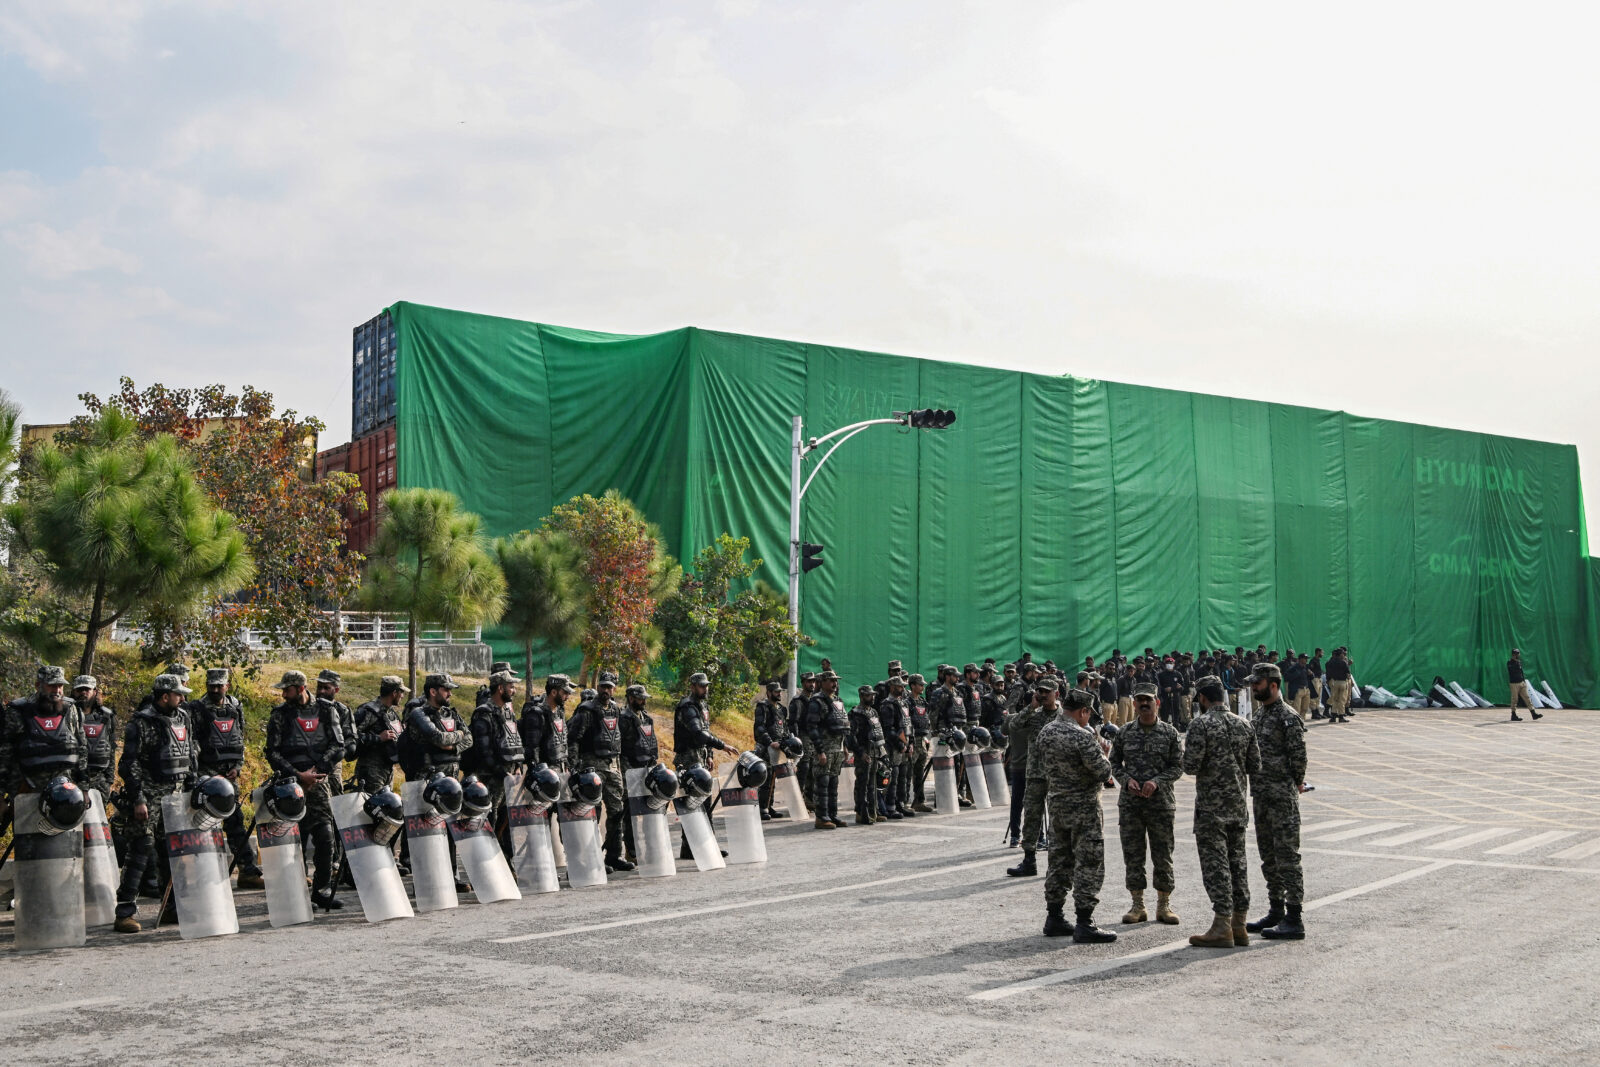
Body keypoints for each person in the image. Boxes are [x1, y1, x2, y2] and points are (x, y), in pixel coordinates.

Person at [113, 673, 197, 933]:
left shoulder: (183, 717)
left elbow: (190, 754)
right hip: (149, 794)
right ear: (164, 696)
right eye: (178, 694)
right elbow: (129, 764)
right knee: (141, 848)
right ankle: (124, 912)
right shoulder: (140, 723)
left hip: (176, 793)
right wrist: (138, 798)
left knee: (171, 851)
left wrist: (192, 789)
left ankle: (172, 908)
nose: (183, 698)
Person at [1034, 685, 1116, 941]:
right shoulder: (1082, 737)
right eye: (1088, 714)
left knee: (1059, 862)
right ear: (1082, 711)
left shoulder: (1046, 732)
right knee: (1089, 862)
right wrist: (1105, 753)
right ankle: (1085, 921)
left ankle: (1054, 916)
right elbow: (1104, 773)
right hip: (1084, 808)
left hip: (1057, 804)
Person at [1183, 675, 1261, 949]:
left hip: (1211, 809)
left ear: (1203, 698)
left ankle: (1222, 925)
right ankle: (1239, 924)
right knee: (1238, 864)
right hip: (1237, 806)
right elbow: (1255, 765)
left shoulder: (1200, 724)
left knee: (1216, 866)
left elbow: (1190, 766)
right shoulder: (1244, 725)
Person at [265, 669, 348, 910]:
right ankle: (296, 891)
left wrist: (317, 771)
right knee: (295, 839)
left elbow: (338, 745)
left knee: (325, 836)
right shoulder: (280, 715)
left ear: (300, 689)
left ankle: (321, 890)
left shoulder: (325, 710)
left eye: (287, 689)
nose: (283, 694)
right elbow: (272, 751)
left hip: (319, 782)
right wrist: (298, 775)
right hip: (289, 786)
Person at [1109, 682, 1183, 925]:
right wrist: (1126, 780)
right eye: (1139, 700)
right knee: (1133, 855)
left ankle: (1164, 905)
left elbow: (1178, 766)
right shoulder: (1124, 732)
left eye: (1148, 700)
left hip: (1161, 803)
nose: (1144, 704)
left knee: (1163, 855)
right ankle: (1137, 905)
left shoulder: (1170, 733)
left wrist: (1158, 781)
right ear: (1134, 704)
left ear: (1157, 703)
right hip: (1131, 805)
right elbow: (1114, 764)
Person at [1246, 663, 1308, 940]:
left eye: (1257, 683)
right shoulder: (1260, 717)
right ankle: (1276, 910)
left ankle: (1294, 918)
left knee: (1287, 857)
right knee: (1268, 856)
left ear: (1273, 685)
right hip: (1261, 797)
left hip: (1282, 797)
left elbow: (1299, 758)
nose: (1253, 688)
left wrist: (1293, 784)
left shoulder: (1287, 717)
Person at [188, 667, 261, 889]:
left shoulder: (235, 706)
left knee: (235, 821)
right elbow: (192, 744)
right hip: (206, 773)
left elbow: (239, 737)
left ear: (227, 685)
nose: (215, 689)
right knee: (203, 823)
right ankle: (200, 874)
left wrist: (237, 767)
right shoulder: (197, 709)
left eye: (220, 685)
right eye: (212, 686)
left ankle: (248, 870)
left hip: (230, 774)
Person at [568, 671, 631, 872]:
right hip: (591, 766)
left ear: (614, 689)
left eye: (609, 687)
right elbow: (574, 739)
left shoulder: (615, 709)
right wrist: (575, 766)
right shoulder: (587, 710)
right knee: (592, 812)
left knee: (617, 810)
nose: (605, 690)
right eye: (602, 686)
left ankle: (614, 855)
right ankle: (592, 857)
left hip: (613, 766)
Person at [674, 671, 740, 852]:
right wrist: (722, 745)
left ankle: (705, 846)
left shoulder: (702, 706)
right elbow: (698, 733)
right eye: (702, 685)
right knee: (692, 803)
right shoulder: (687, 707)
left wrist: (710, 753)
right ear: (693, 687)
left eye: (706, 685)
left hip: (700, 757)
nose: (705, 688)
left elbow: (706, 731)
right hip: (688, 759)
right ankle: (693, 847)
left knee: (704, 803)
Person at [468, 669, 526, 854]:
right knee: (489, 822)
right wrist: (501, 772)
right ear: (500, 688)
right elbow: (483, 750)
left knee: (506, 822)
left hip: (509, 777)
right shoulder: (484, 713)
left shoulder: (507, 713)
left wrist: (517, 767)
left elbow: (515, 741)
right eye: (511, 686)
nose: (514, 690)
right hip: (491, 778)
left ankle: (507, 862)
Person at [1006, 682, 1051, 870]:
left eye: (1046, 692)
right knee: (1032, 816)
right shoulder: (1033, 715)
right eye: (1039, 691)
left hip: (1056, 773)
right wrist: (1031, 707)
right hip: (1034, 773)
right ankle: (1029, 859)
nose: (1042, 695)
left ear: (1055, 693)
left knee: (1058, 818)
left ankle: (1056, 862)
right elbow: (1013, 725)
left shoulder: (1063, 716)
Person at [618, 683, 660, 865]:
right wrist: (627, 772)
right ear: (631, 698)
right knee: (630, 812)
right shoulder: (623, 718)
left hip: (646, 768)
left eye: (644, 698)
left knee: (650, 809)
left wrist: (654, 764)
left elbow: (652, 743)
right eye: (640, 698)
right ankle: (631, 850)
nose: (643, 701)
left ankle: (651, 849)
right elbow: (620, 748)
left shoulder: (646, 719)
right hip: (630, 770)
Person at [804, 671, 851, 829]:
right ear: (822, 682)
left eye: (835, 681)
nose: (834, 683)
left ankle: (833, 815)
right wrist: (819, 751)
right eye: (831, 681)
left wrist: (844, 747)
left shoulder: (838, 701)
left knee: (833, 783)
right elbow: (812, 727)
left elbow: (842, 725)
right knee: (822, 783)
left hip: (837, 748)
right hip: (824, 748)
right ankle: (821, 817)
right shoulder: (816, 702)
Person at [353, 676, 409, 793]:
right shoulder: (369, 711)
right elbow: (351, 737)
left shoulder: (390, 712)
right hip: (371, 771)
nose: (403, 696)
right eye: (401, 692)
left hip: (387, 769)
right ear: (394, 693)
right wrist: (378, 738)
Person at [73, 674, 118, 803]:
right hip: (73, 778)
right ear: (74, 692)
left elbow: (111, 748)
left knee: (98, 821)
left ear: (95, 691)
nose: (83, 693)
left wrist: (109, 781)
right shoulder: (68, 714)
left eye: (87, 689)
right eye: (79, 690)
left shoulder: (106, 716)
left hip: (99, 780)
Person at [519, 673, 576, 773]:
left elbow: (562, 739)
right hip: (546, 772)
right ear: (553, 692)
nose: (567, 697)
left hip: (561, 769)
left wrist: (566, 762)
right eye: (565, 693)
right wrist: (539, 772)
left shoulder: (559, 711)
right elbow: (532, 748)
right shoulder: (537, 714)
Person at [752, 680, 792, 820]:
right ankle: (762, 807)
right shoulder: (763, 707)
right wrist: (770, 742)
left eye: (780, 691)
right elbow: (760, 727)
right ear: (769, 693)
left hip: (778, 749)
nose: (779, 694)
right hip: (765, 749)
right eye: (776, 692)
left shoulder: (781, 709)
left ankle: (769, 805)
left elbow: (784, 729)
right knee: (765, 778)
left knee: (774, 778)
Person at [847, 685, 887, 825]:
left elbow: (878, 732)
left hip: (875, 751)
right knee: (863, 784)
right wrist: (860, 752)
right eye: (870, 695)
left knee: (873, 784)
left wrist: (882, 752)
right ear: (862, 696)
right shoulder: (855, 713)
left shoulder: (874, 712)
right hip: (864, 751)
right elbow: (851, 737)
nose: (873, 697)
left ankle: (873, 811)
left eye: (873, 695)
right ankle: (861, 813)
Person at [874, 674, 911, 820]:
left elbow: (907, 725)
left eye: (903, 686)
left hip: (902, 745)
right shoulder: (887, 704)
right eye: (899, 686)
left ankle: (898, 803)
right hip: (892, 747)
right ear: (892, 687)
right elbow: (889, 729)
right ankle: (887, 807)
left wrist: (910, 742)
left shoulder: (902, 703)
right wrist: (900, 744)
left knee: (901, 777)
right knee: (890, 777)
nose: (902, 689)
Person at [904, 672, 931, 814]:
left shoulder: (922, 701)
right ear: (912, 685)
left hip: (922, 740)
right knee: (908, 772)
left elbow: (926, 718)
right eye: (920, 685)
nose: (922, 687)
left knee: (920, 773)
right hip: (912, 741)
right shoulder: (907, 702)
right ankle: (905, 802)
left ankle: (919, 801)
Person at [1507, 649, 1543, 721]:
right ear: (1513, 654)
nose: (1518, 655)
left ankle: (1533, 714)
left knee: (1527, 698)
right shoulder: (1510, 663)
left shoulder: (1519, 662)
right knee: (1515, 699)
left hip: (1521, 683)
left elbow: (1521, 672)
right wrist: (1516, 662)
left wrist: (1524, 681)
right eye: (1516, 654)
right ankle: (1513, 715)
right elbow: (1512, 671)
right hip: (1514, 684)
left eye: (1518, 653)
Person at [1325, 648, 1353, 722]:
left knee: (1335, 699)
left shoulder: (1330, 662)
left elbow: (1328, 673)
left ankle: (1333, 716)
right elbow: (1348, 673)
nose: (1344, 655)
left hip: (1334, 682)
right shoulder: (1343, 662)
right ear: (1340, 654)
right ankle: (1341, 716)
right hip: (1342, 682)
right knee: (1342, 700)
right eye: (1343, 654)